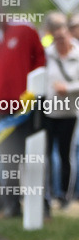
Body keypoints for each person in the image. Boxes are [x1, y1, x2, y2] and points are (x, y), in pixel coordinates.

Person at [0, 7, 45, 216]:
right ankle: (12, 204)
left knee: (34, 154)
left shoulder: (25, 29)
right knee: (8, 157)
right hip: (2, 110)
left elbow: (39, 59)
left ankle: (41, 205)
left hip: (29, 106)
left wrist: (34, 90)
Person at [42, 12, 79, 207]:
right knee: (47, 155)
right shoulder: (47, 54)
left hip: (69, 113)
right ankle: (47, 194)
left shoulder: (77, 54)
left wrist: (69, 88)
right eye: (56, 38)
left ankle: (64, 194)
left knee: (66, 155)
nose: (60, 41)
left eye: (62, 37)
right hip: (48, 112)